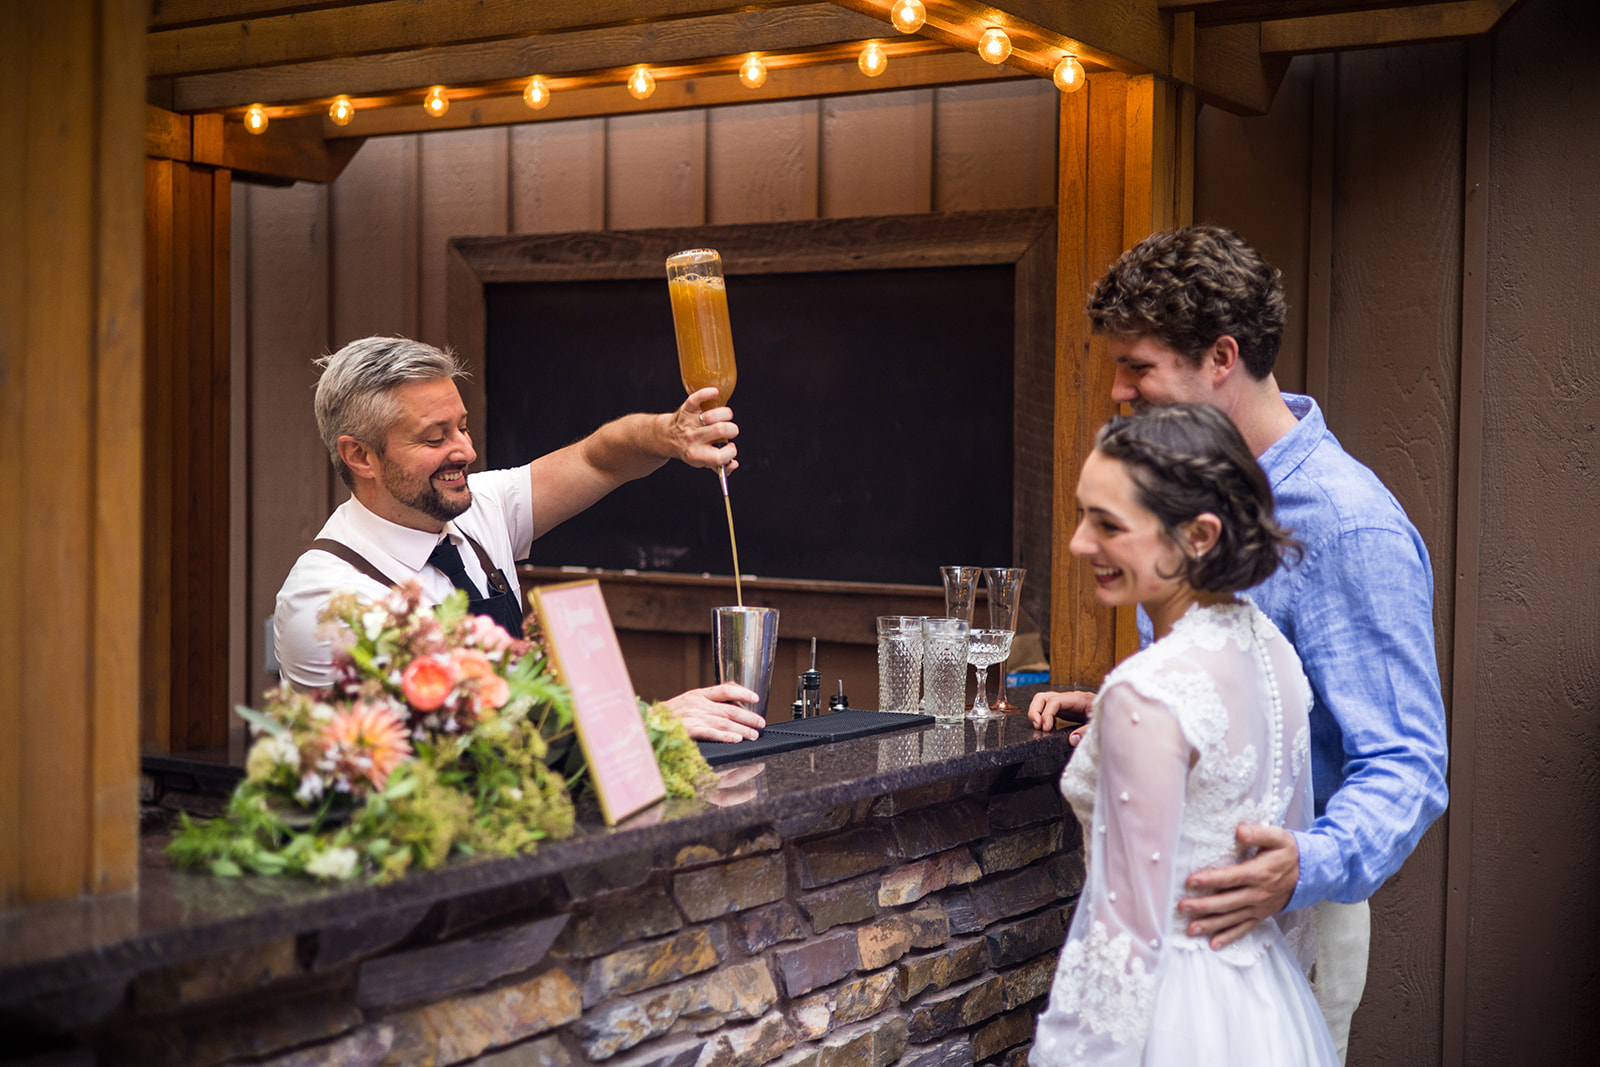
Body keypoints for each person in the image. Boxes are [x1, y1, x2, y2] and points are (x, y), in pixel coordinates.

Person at [1029, 226, 1449, 1060]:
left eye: (1139, 367)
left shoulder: (1349, 523)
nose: (1118, 391)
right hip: (1174, 939)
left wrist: (1304, 864)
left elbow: (1408, 761)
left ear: (1221, 357)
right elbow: (1232, 664)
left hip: (1285, 920)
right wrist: (1141, 696)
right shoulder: (1180, 488)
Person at [1031, 404, 1337, 1067]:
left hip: (1171, 1015)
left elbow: (1123, 935)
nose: (1081, 542)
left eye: (1107, 524)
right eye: (1084, 514)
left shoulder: (1147, 690)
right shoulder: (1273, 649)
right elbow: (1283, 865)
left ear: (1197, 534)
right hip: (1262, 999)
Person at [273, 335, 765, 743]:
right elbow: (460, 750)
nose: (465, 451)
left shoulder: (476, 510)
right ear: (360, 456)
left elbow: (598, 459)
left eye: (462, 428)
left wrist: (669, 433)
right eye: (434, 437)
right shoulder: (328, 599)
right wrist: (648, 724)